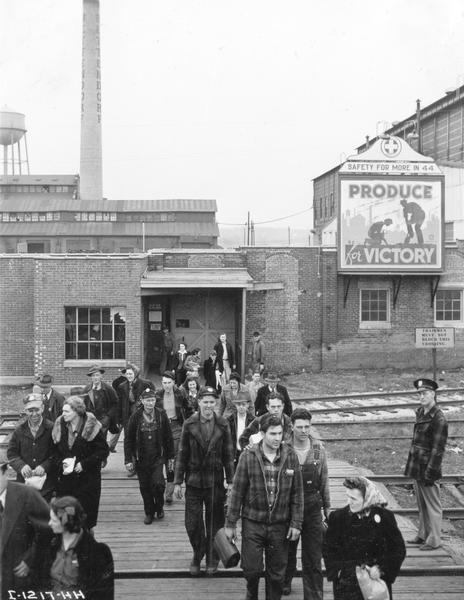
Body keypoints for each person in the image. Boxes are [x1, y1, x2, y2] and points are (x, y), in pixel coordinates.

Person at [225, 413, 304, 600]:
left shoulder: (290, 456)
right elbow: (237, 491)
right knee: (251, 569)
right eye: (272, 434)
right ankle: (251, 592)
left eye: (280, 434)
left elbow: (297, 493)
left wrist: (296, 523)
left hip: (280, 524)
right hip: (253, 522)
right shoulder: (248, 455)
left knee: (277, 575)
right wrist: (230, 524)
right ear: (262, 434)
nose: (277, 438)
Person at [174, 386, 235, 576]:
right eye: (205, 401)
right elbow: (182, 454)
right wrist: (178, 481)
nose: (209, 406)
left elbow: (228, 455)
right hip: (193, 481)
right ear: (199, 402)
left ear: (215, 403)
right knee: (192, 523)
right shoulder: (189, 424)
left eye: (212, 402)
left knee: (214, 522)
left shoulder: (223, 424)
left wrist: (231, 481)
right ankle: (198, 552)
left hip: (215, 481)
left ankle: (212, 556)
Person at [323, 476, 406, 600]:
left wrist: (381, 569)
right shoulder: (338, 518)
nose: (349, 502)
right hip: (347, 584)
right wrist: (338, 572)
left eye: (354, 498)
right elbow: (328, 548)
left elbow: (398, 549)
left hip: (375, 583)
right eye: (348, 496)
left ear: (367, 499)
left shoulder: (385, 518)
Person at [283, 408, 331, 598]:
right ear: (292, 427)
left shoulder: (318, 450)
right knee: (287, 549)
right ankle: (285, 582)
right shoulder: (284, 448)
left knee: (313, 556)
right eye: (299, 427)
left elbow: (325, 480)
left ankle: (313, 595)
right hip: (289, 506)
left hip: (312, 506)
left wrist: (327, 509)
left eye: (307, 427)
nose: (304, 430)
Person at [35, 495, 114, 600]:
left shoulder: (97, 552)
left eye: (54, 521)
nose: (50, 524)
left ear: (66, 523)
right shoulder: (50, 546)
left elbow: (102, 593)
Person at [52, 395, 109, 530]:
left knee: (85, 519)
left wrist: (84, 464)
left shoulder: (91, 426)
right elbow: (53, 452)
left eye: (66, 411)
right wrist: (61, 464)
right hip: (66, 481)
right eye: (62, 411)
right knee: (68, 518)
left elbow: (103, 451)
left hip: (87, 481)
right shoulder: (60, 425)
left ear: (77, 412)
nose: (63, 414)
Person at [404, 378, 448, 550]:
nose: (421, 397)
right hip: (417, 467)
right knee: (422, 505)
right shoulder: (422, 412)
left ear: (433, 394)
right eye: (420, 394)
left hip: (428, 469)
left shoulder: (438, 418)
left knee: (433, 505)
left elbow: (438, 450)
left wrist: (431, 473)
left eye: (425, 393)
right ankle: (423, 534)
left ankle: (435, 539)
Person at [0, 448, 50, 600]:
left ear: (5, 473)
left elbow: (50, 531)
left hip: (19, 580)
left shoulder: (27, 495)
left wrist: (31, 560)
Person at [124, 388, 175, 524]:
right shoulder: (135, 416)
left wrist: (171, 459)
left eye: (152, 400)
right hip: (141, 459)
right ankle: (149, 512)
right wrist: (128, 459)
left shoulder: (161, 415)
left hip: (158, 458)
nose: (150, 403)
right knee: (145, 487)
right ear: (142, 401)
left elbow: (168, 438)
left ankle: (159, 507)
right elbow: (128, 439)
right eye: (147, 400)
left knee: (158, 484)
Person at [7, 393, 56, 501]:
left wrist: (45, 466)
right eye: (30, 410)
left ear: (42, 408)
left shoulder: (52, 428)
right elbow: (12, 453)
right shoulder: (19, 430)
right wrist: (21, 466)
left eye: (37, 410)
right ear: (25, 411)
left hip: (47, 485)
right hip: (25, 484)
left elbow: (58, 453)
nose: (34, 414)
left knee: (43, 514)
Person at [155, 371, 192, 504]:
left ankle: (169, 491)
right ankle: (160, 485)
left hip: (176, 426)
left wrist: (189, 425)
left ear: (174, 383)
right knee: (161, 455)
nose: (166, 385)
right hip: (161, 428)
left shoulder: (180, 394)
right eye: (164, 383)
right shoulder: (157, 394)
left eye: (169, 382)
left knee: (173, 457)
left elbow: (189, 409)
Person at [82, 365, 119, 440]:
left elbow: (115, 404)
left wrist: (108, 417)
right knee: (90, 440)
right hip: (91, 420)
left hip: (103, 420)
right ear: (91, 377)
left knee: (101, 440)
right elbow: (83, 405)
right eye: (93, 376)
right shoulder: (87, 389)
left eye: (97, 375)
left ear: (101, 376)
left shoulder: (108, 389)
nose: (95, 378)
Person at [227, 391, 255, 469]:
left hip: (248, 453)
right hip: (235, 454)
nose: (241, 407)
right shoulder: (230, 420)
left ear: (248, 405)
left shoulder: (253, 420)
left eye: (243, 404)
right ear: (235, 405)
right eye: (239, 404)